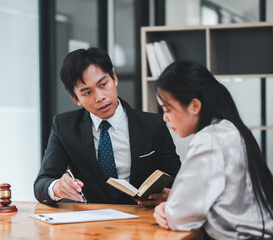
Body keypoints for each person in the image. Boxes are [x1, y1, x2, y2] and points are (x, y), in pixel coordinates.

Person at [34, 47, 181, 205]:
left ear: (114, 79)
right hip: (91, 223)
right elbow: (41, 183)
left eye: (103, 84)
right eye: (87, 93)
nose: (100, 97)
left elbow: (179, 180)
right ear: (76, 99)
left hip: (142, 220)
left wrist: (169, 195)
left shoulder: (154, 125)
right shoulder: (64, 127)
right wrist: (56, 187)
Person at [153, 60, 273, 239]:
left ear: (195, 106)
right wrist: (173, 203)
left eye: (167, 109)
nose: (165, 118)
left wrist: (168, 209)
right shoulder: (228, 128)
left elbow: (180, 218)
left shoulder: (209, 139)